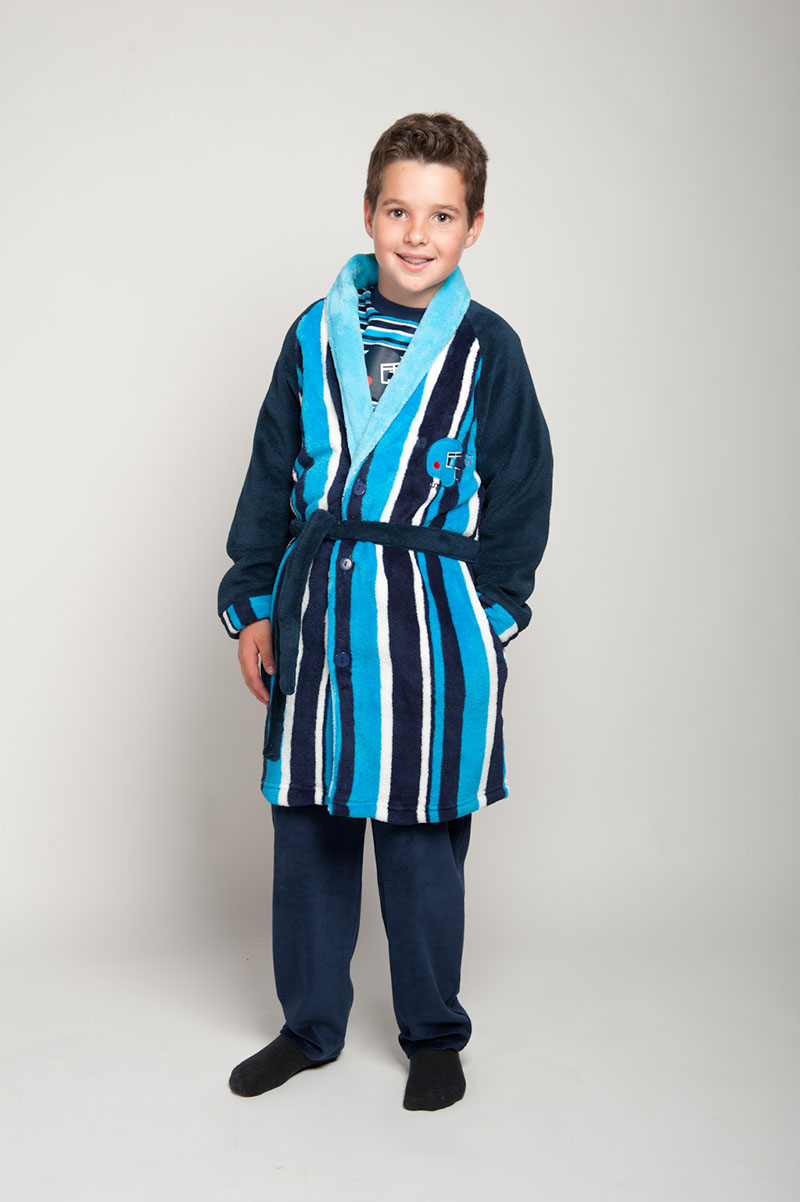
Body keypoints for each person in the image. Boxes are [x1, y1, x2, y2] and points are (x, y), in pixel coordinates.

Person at [217, 112, 554, 1111]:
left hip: (430, 630)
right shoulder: (311, 334)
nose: (417, 234)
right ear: (368, 213)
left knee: (420, 841)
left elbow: (523, 490)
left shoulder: (487, 348)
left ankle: (433, 1032)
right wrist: (256, 601)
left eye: (441, 216)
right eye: (399, 211)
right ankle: (309, 1024)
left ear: (473, 226)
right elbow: (271, 472)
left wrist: (488, 614)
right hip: (320, 614)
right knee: (309, 828)